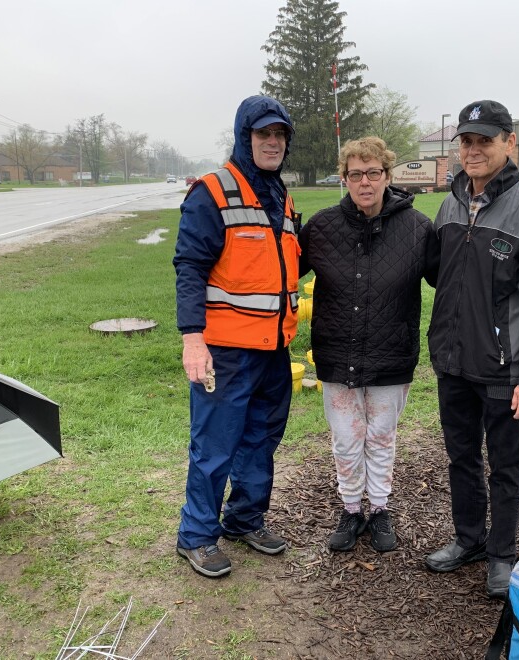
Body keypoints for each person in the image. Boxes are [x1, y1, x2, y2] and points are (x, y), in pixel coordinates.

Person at [424, 100, 519, 598]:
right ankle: (468, 539)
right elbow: (440, 278)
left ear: (509, 143)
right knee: (460, 458)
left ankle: (501, 555)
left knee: (506, 466)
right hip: (454, 364)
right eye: (466, 141)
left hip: (507, 373)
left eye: (484, 140)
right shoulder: (449, 205)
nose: (473, 150)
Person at [173, 95, 301, 578]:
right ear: (244, 137)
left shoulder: (279, 196)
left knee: (260, 441)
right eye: (263, 134)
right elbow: (189, 267)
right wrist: (192, 338)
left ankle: (244, 519)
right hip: (225, 352)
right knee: (215, 445)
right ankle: (197, 536)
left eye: (280, 135)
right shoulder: (212, 191)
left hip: (273, 350)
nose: (273, 143)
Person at [298, 136, 439, 553]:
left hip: (390, 354)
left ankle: (378, 508)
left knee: (381, 436)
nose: (364, 182)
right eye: (355, 174)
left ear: (387, 176)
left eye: (373, 173)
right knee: (346, 437)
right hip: (336, 353)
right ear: (344, 178)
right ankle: (349, 508)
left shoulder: (417, 229)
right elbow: (285, 270)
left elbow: (448, 282)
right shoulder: (322, 227)